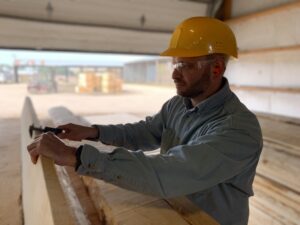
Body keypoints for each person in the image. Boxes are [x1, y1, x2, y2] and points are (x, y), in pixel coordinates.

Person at [27, 17, 263, 225]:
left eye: (185, 66)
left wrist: (74, 156)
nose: (174, 74)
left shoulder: (238, 129)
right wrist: (93, 132)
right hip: (175, 210)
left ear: (216, 68)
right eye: (174, 64)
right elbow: (146, 132)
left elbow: (171, 172)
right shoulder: (178, 105)